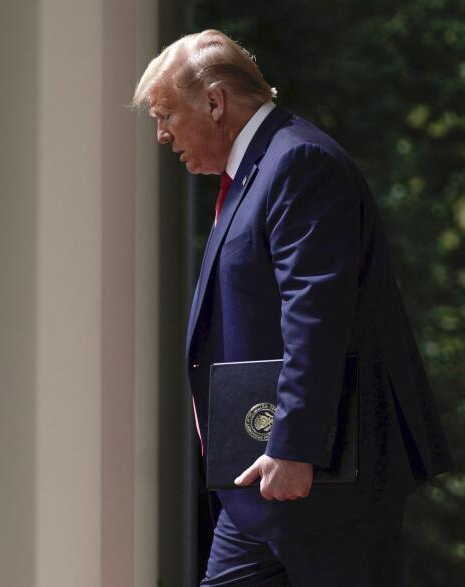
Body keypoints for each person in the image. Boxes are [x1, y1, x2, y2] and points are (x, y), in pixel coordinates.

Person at [132, 30, 452, 586]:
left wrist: (294, 445)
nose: (162, 135)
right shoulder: (258, 169)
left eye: (166, 114)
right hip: (263, 485)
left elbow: (315, 315)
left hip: (322, 481)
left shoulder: (297, 162)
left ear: (214, 100)